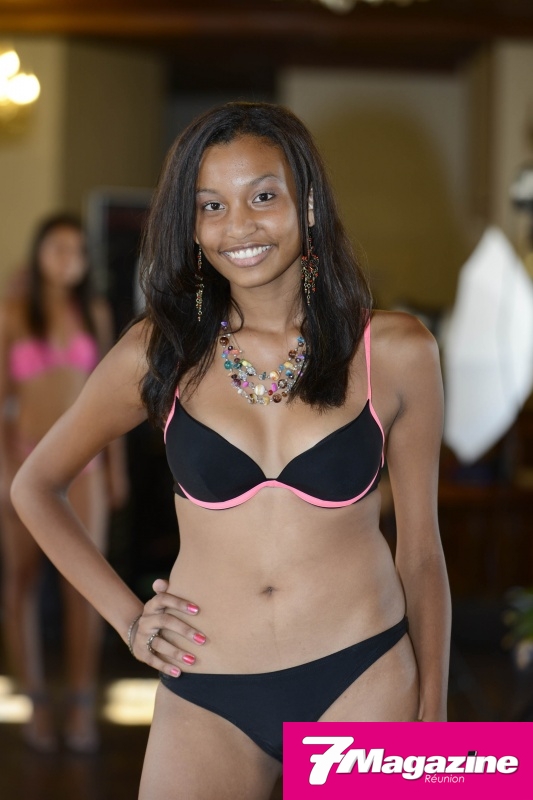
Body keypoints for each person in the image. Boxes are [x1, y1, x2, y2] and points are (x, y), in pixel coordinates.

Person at [11, 104, 450, 797]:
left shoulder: (396, 351)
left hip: (362, 675)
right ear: (190, 226)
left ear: (308, 203)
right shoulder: (159, 352)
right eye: (210, 205)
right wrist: (128, 618)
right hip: (206, 689)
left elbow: (420, 552)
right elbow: (34, 486)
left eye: (263, 197)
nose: (237, 226)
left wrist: (435, 711)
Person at [0, 213, 128, 754]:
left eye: (77, 250)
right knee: (22, 581)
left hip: (85, 466)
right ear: (38, 252)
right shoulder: (12, 313)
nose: (67, 259)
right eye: (57, 247)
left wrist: (117, 468)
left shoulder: (94, 312)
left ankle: (79, 702)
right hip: (25, 464)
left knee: (86, 584)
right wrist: (5, 471)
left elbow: (113, 399)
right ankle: (35, 702)